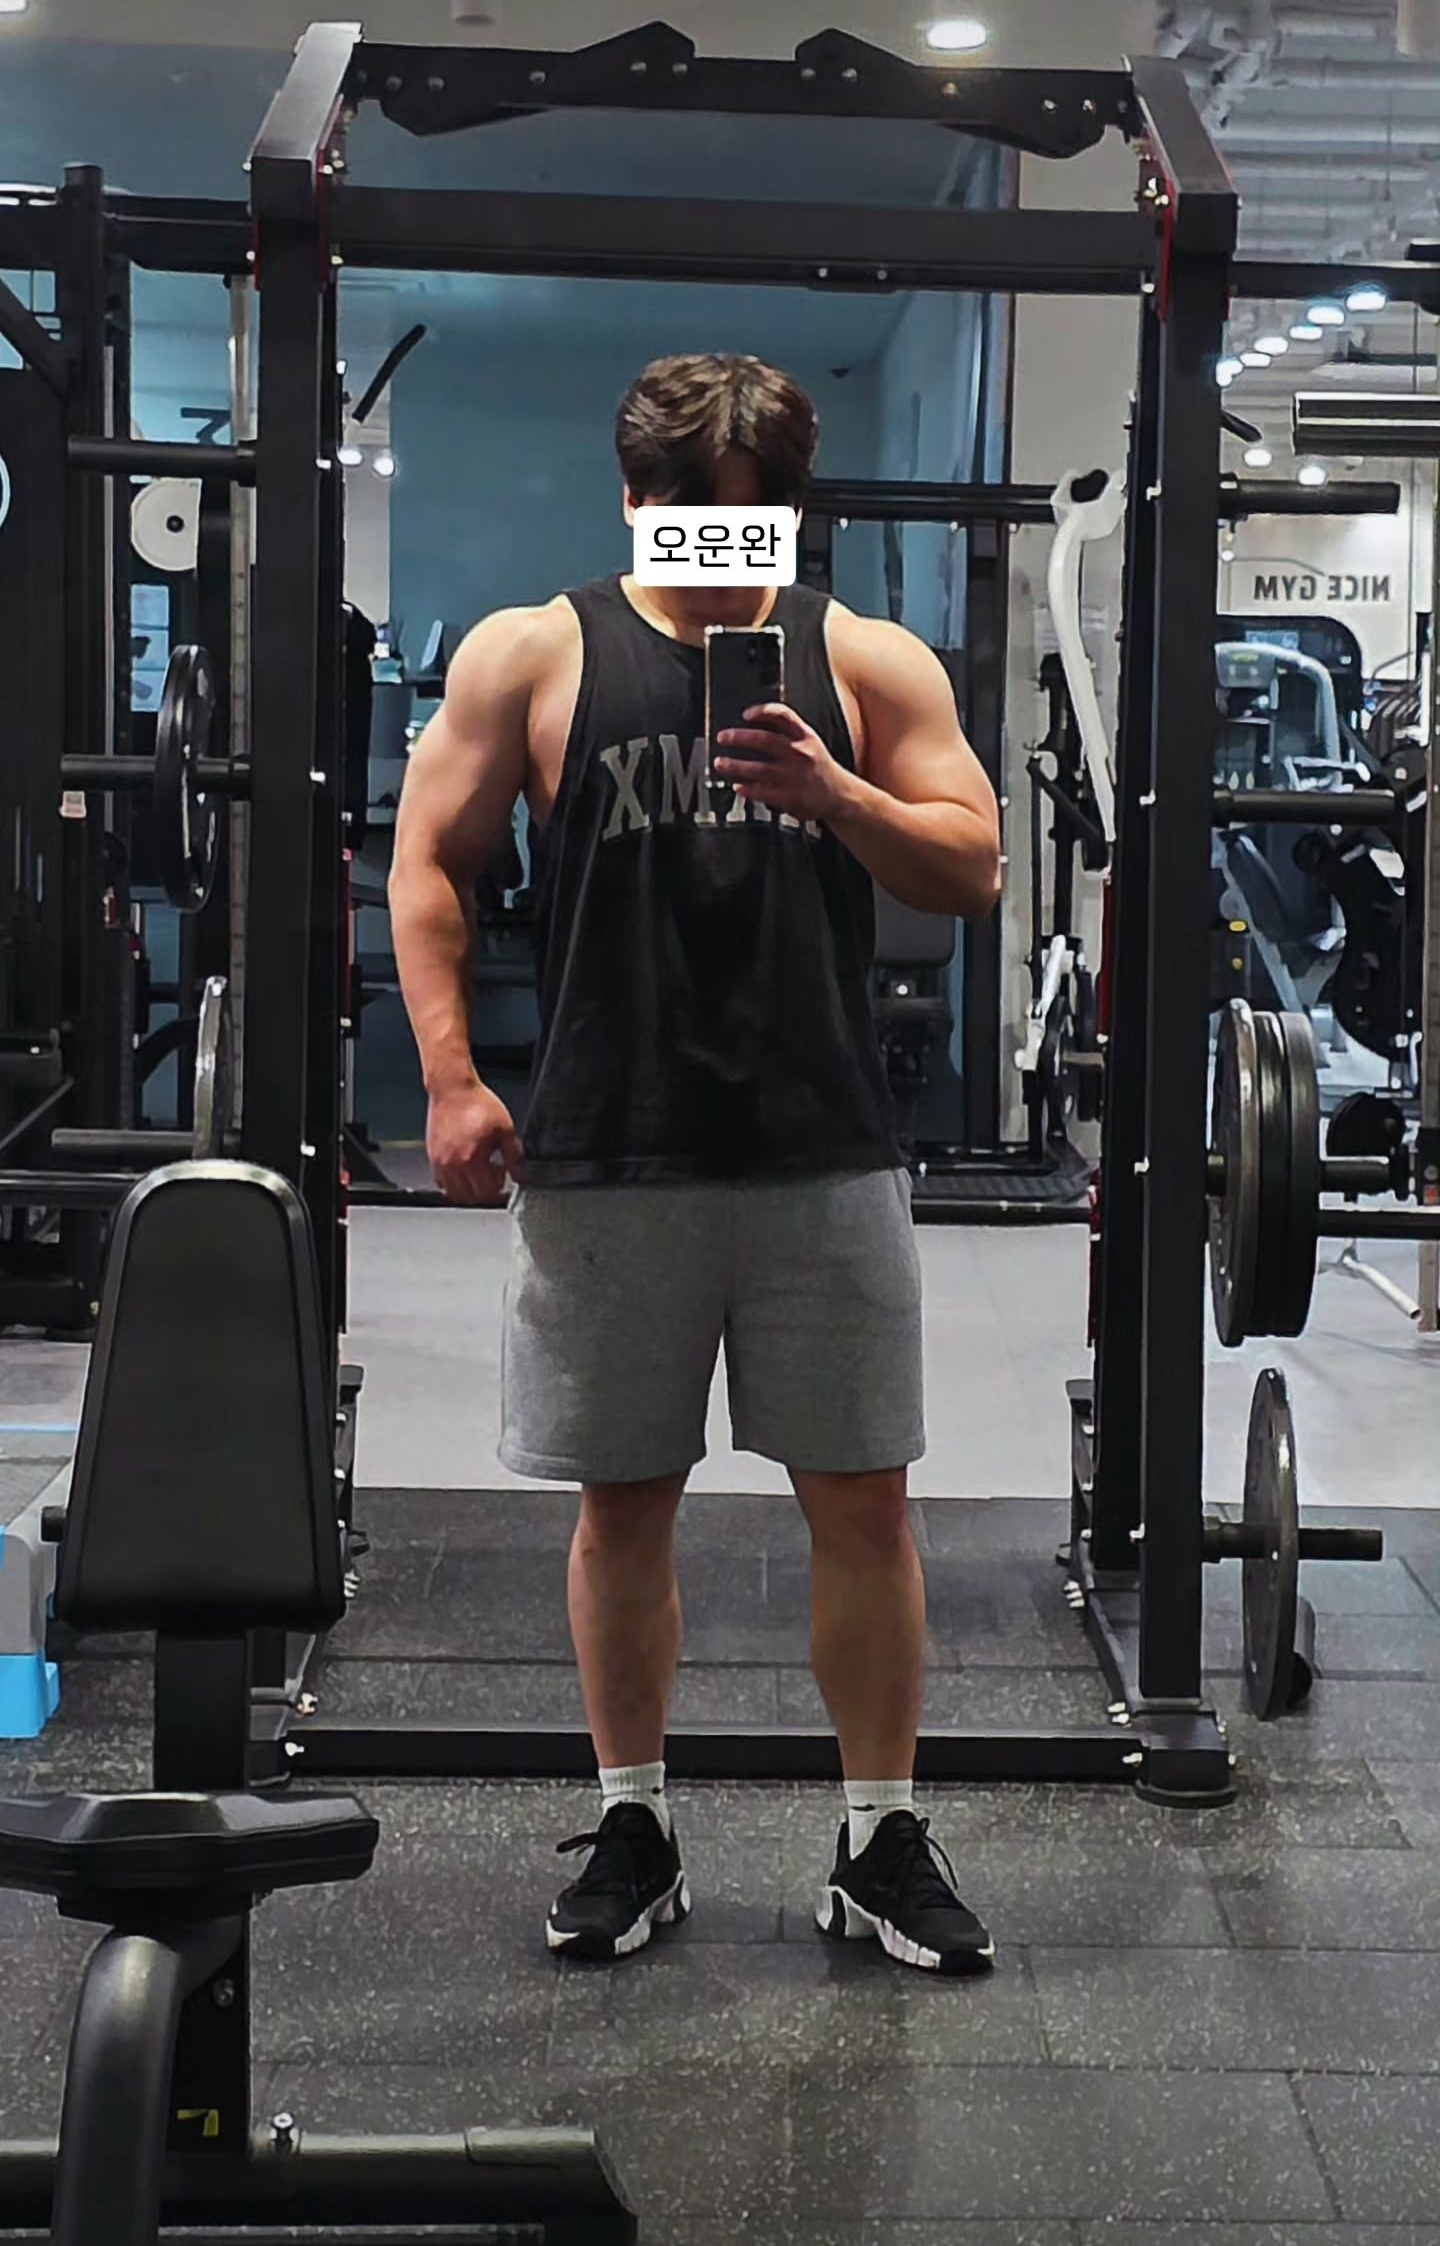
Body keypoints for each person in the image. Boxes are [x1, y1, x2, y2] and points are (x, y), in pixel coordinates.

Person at [390, 353, 1003, 1977]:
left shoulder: (864, 660)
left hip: (823, 1148)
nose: (724, 558)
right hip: (611, 1149)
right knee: (623, 1508)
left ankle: (879, 1836)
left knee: (865, 1504)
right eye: (693, 524)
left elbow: (974, 863)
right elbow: (431, 862)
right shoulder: (533, 654)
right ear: (635, 502)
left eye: (753, 527)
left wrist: (838, 791)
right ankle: (634, 1822)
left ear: (788, 520)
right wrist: (450, 1077)